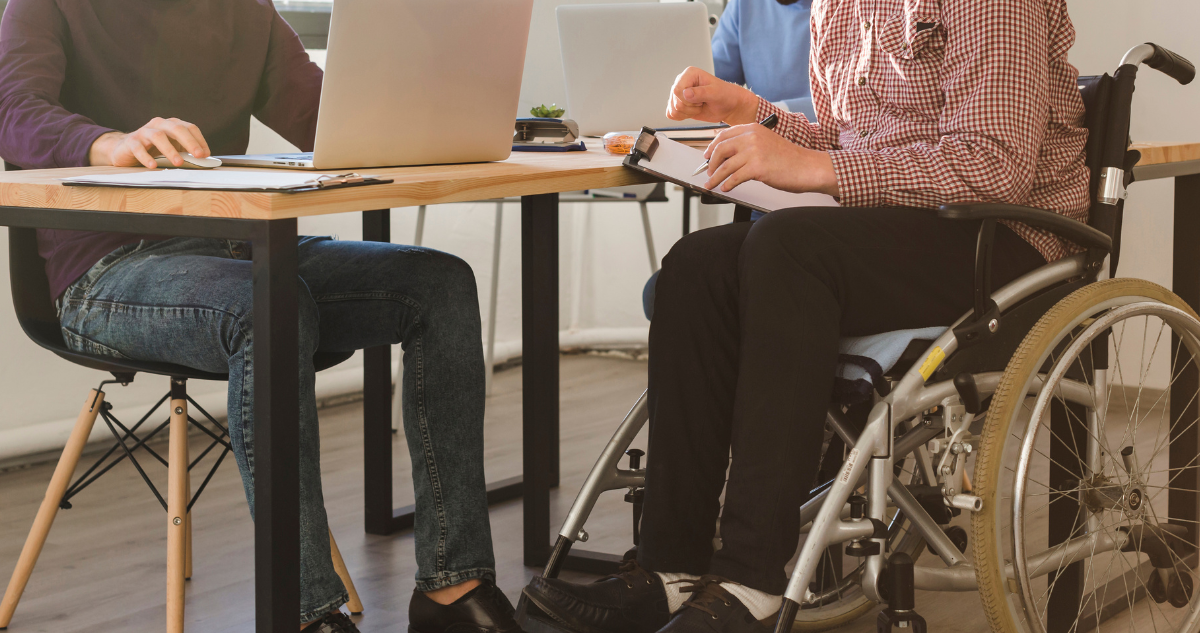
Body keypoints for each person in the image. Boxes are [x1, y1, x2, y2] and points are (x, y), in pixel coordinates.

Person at [525, 0, 1090, 631]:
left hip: (1000, 238)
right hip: (893, 226)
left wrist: (820, 169)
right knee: (695, 266)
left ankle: (751, 576)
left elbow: (993, 166)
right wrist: (754, 115)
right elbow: (852, 141)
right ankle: (669, 568)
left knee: (786, 246)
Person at [0, 2, 521, 632]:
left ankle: (452, 589)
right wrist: (105, 142)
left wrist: (443, 116)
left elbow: (318, 117)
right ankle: (303, 613)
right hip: (107, 271)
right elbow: (13, 111)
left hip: (239, 249)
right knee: (269, 308)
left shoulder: (244, 9)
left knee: (437, 284)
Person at [711, 0, 816, 121]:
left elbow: (839, 110)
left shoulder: (839, 10)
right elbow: (717, 78)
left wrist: (762, 113)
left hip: (823, 136)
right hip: (759, 129)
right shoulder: (743, 4)